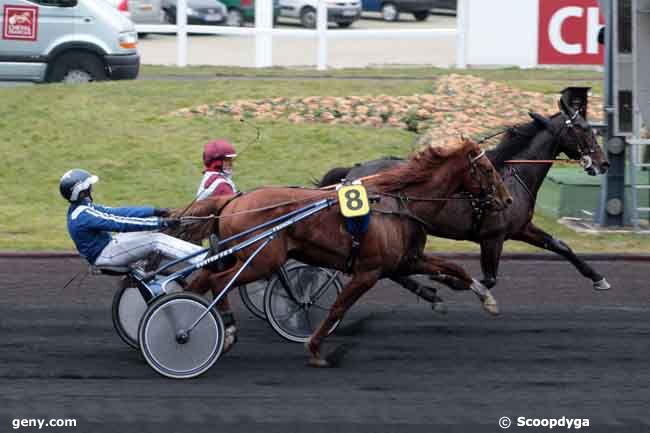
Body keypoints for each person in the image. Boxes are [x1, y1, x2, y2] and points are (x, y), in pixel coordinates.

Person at [60, 168, 209, 273]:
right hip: (106, 255)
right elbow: (121, 223)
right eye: (89, 186)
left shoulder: (83, 208)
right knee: (156, 239)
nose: (92, 189)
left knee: (154, 228)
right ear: (81, 191)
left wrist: (154, 211)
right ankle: (204, 257)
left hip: (109, 246)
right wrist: (161, 222)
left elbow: (119, 212)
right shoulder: (84, 215)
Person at [194, 139, 239, 350]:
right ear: (216, 162)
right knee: (216, 281)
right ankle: (226, 327)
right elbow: (236, 212)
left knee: (208, 282)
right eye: (228, 161)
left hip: (216, 237)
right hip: (221, 240)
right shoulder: (220, 184)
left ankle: (227, 325)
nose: (231, 165)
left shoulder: (212, 178)